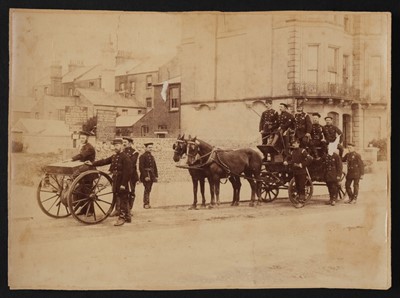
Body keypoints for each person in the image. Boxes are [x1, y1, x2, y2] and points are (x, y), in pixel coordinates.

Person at [85, 138, 132, 226]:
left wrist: (123, 184)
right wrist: (92, 163)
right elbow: (104, 161)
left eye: (117, 145)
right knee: (121, 197)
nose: (115, 147)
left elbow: (128, 172)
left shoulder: (125, 157)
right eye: (114, 145)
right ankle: (128, 216)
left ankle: (122, 218)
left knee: (123, 198)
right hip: (116, 179)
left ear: (122, 146)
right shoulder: (115, 156)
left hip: (122, 181)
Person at [283, 138, 313, 208]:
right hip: (295, 172)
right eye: (293, 143)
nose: (294, 144)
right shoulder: (292, 152)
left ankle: (301, 202)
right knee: (297, 186)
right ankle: (299, 199)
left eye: (295, 143)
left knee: (301, 186)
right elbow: (288, 157)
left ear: (298, 144)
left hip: (302, 172)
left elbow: (310, 159)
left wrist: (302, 165)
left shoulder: (302, 151)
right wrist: (285, 161)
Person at [139, 142, 158, 209]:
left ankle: (147, 202)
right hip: (146, 174)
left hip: (151, 174)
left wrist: (156, 175)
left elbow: (154, 166)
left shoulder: (152, 156)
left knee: (149, 189)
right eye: (149, 147)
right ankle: (146, 203)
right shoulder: (142, 156)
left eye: (151, 147)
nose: (150, 149)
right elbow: (141, 167)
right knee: (147, 188)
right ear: (146, 148)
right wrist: (145, 176)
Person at [122, 137, 139, 212]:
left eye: (125, 142)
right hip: (122, 175)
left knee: (131, 192)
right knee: (120, 192)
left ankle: (129, 209)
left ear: (130, 143)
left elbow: (132, 163)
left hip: (131, 175)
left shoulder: (135, 152)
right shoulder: (122, 151)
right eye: (123, 142)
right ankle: (118, 209)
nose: (124, 143)